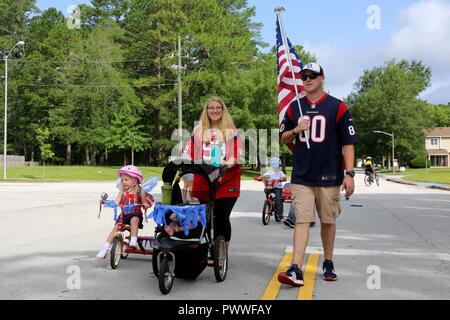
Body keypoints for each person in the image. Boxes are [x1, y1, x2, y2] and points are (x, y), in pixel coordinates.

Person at [277, 63, 358, 286]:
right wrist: (295, 130)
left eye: (312, 75)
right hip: (302, 175)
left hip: (329, 174)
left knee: (328, 220)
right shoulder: (295, 107)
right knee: (302, 220)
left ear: (323, 78)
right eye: (304, 76)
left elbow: (348, 142)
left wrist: (349, 173)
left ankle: (329, 261)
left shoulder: (337, 106)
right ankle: (296, 268)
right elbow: (283, 138)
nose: (308, 79)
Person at [185, 96, 242, 249]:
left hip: (226, 181)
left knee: (221, 217)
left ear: (223, 110)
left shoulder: (231, 131)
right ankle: (210, 248)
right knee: (207, 218)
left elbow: (236, 155)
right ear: (207, 110)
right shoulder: (198, 132)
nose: (215, 110)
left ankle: (221, 253)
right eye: (211, 108)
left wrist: (227, 163)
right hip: (204, 182)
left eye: (218, 107)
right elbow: (190, 154)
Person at [96, 165, 151, 259]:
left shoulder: (140, 191)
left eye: (126, 179)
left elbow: (145, 203)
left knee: (134, 220)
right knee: (116, 228)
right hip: (123, 216)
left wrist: (145, 205)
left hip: (135, 215)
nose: (123, 182)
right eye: (122, 180)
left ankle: (133, 240)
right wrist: (106, 202)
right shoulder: (122, 192)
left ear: (134, 181)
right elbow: (116, 203)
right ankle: (105, 249)